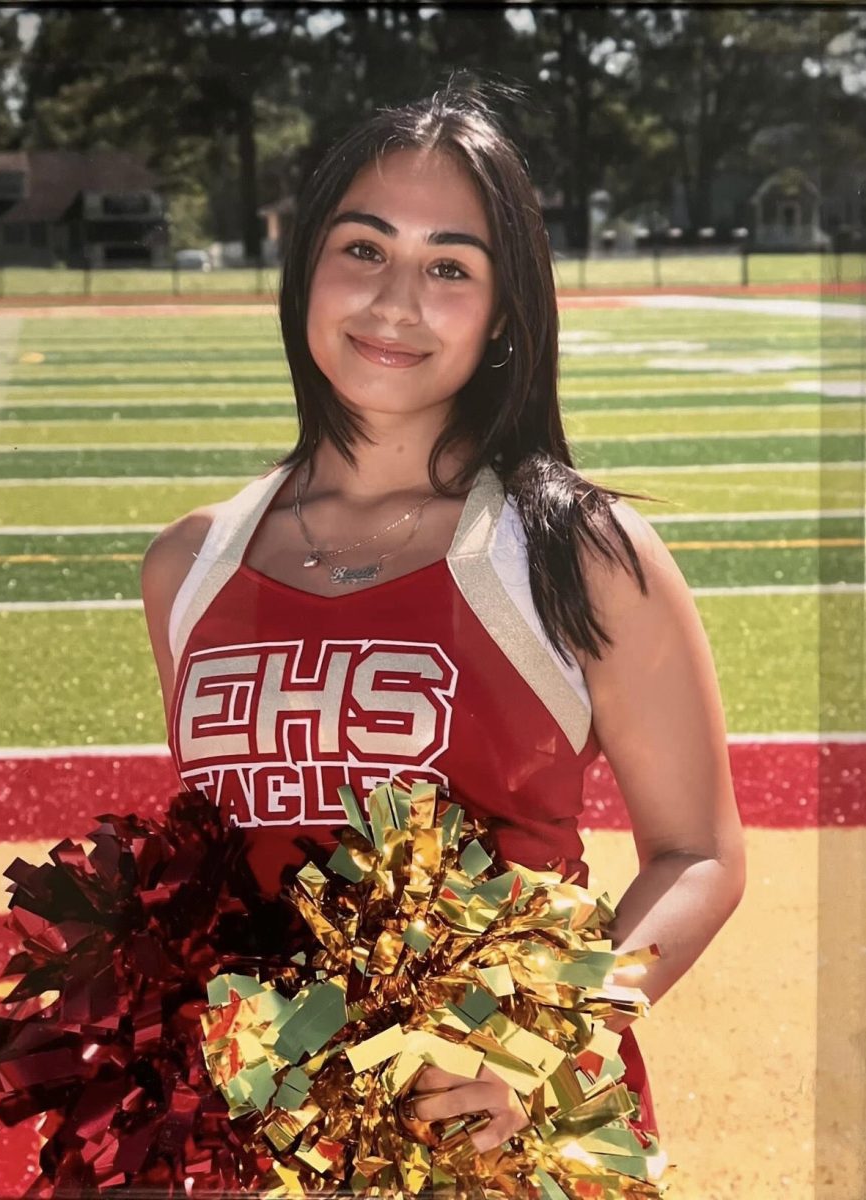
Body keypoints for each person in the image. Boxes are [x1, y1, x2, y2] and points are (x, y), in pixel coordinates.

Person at [141, 74, 745, 1160]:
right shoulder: (188, 565)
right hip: (262, 1139)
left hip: (501, 1134)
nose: (394, 303)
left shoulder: (578, 553)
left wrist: (534, 1044)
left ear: (505, 307)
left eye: (449, 268)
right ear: (305, 268)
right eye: (363, 249)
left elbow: (697, 854)